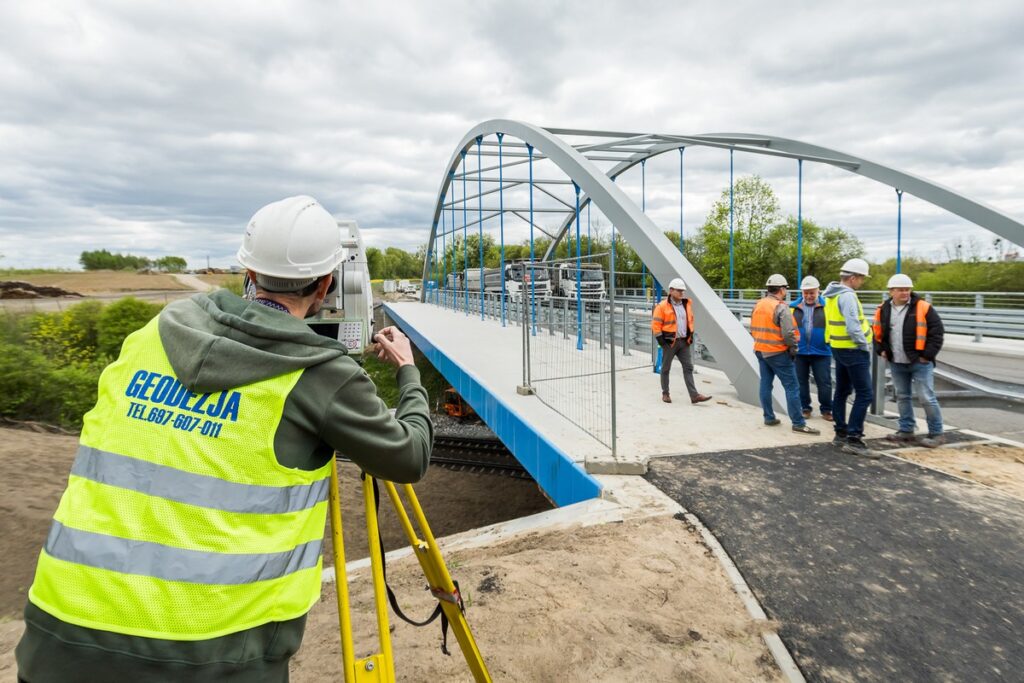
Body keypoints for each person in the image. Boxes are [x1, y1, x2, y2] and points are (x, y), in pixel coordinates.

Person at [16, 195, 433, 683]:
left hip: (60, 637)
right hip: (209, 655)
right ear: (327, 284)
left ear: (248, 274)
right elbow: (409, 456)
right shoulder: (319, 376)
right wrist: (407, 372)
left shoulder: (155, 332)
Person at [873, 273, 945, 447]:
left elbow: (937, 332)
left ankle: (937, 433)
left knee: (926, 397)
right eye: (901, 290)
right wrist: (881, 350)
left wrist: (926, 355)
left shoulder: (923, 307)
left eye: (907, 289)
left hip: (919, 362)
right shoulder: (884, 309)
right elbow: (876, 333)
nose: (905, 292)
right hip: (897, 361)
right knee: (903, 397)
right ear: (891, 291)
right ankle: (906, 430)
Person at [751, 274, 820, 434]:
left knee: (766, 384)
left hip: (761, 350)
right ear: (782, 289)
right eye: (785, 289)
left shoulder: (758, 305)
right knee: (792, 387)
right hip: (777, 352)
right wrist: (793, 349)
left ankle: (769, 417)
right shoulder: (781, 307)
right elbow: (789, 333)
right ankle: (798, 423)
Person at [822, 257, 877, 457]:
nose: (862, 282)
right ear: (853, 278)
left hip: (838, 347)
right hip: (853, 349)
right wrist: (864, 344)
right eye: (861, 278)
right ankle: (854, 438)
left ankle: (841, 434)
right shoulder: (847, 296)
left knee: (842, 391)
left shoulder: (830, 295)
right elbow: (853, 325)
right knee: (865, 394)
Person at [652, 277, 712, 404]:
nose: (682, 293)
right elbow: (656, 326)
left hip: (684, 342)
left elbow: (689, 321)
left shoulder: (686, 304)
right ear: (671, 290)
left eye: (683, 291)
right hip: (669, 342)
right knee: (666, 368)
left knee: (688, 367)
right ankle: (665, 393)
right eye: (679, 290)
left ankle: (694, 395)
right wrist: (662, 342)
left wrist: (689, 337)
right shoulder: (662, 306)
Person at [790, 275, 833, 422]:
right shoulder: (793, 307)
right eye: (806, 293)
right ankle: (805, 408)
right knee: (801, 382)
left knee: (824, 382)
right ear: (802, 292)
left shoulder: (828, 306)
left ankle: (827, 409)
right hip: (800, 351)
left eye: (812, 292)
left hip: (821, 351)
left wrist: (829, 343)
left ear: (818, 291)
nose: (809, 296)